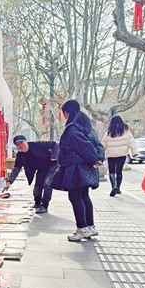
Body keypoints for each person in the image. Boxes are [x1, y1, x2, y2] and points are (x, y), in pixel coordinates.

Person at [54, 100, 105, 241]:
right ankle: (90, 227)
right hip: (86, 167)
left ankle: (82, 228)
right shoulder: (87, 127)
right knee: (84, 196)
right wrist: (99, 159)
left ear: (66, 113)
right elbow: (98, 145)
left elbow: (85, 148)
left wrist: (94, 159)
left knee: (75, 197)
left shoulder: (72, 129)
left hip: (76, 168)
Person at [2, 135, 59, 214]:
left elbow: (55, 144)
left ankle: (44, 206)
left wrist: (54, 156)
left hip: (52, 165)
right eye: (17, 144)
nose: (20, 145)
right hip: (41, 169)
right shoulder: (20, 155)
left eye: (21, 142)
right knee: (37, 189)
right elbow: (16, 168)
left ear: (26, 141)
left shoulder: (37, 145)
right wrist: (9, 181)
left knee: (47, 183)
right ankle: (37, 203)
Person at [101, 115, 138, 196]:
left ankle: (113, 187)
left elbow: (103, 145)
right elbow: (132, 142)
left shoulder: (108, 133)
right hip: (122, 154)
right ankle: (118, 188)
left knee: (111, 171)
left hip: (111, 155)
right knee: (119, 171)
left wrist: (99, 155)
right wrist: (134, 152)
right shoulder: (126, 132)